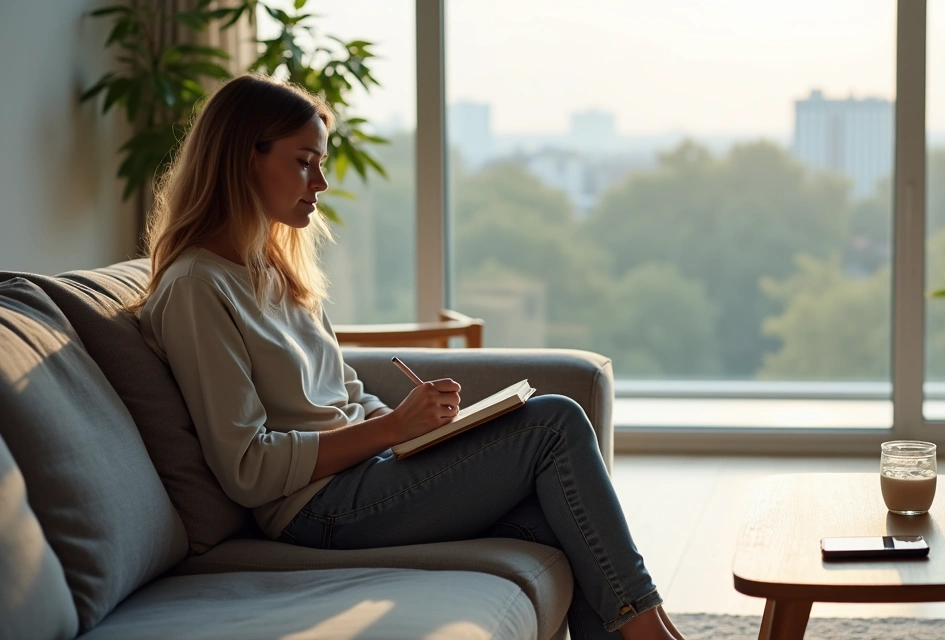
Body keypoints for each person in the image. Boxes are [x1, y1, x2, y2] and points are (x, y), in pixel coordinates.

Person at [132, 74, 686, 640]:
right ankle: (652, 632)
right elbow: (248, 470)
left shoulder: (274, 270)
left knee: (555, 516)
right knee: (555, 422)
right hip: (314, 512)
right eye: (304, 162)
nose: (320, 182)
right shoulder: (198, 288)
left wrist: (418, 430)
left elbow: (344, 392)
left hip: (366, 476)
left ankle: (644, 628)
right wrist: (392, 429)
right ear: (242, 159)